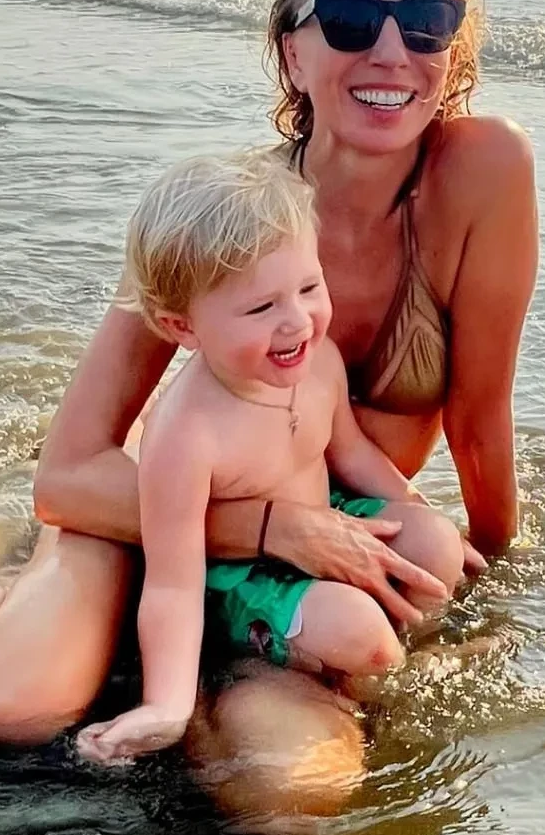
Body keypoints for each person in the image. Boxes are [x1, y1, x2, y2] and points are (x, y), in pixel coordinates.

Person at [32, 0, 538, 820]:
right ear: (292, 52)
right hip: (186, 536)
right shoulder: (223, 224)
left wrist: (498, 584)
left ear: (454, 46)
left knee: (305, 792)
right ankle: (186, 687)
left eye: (427, 21)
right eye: (348, 19)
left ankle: (253, 691)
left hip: (342, 550)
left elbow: (478, 420)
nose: (392, 50)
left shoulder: (484, 171)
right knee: (27, 704)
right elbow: (65, 479)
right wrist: (272, 527)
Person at [76, 152, 453, 765]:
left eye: (309, 287)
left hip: (323, 518)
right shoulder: (187, 432)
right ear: (183, 327)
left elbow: (352, 453)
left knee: (434, 543)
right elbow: (172, 585)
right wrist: (165, 705)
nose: (297, 321)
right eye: (261, 308)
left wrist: (415, 507)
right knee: (360, 632)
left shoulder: (319, 360)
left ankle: (412, 649)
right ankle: (354, 686)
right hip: (238, 577)